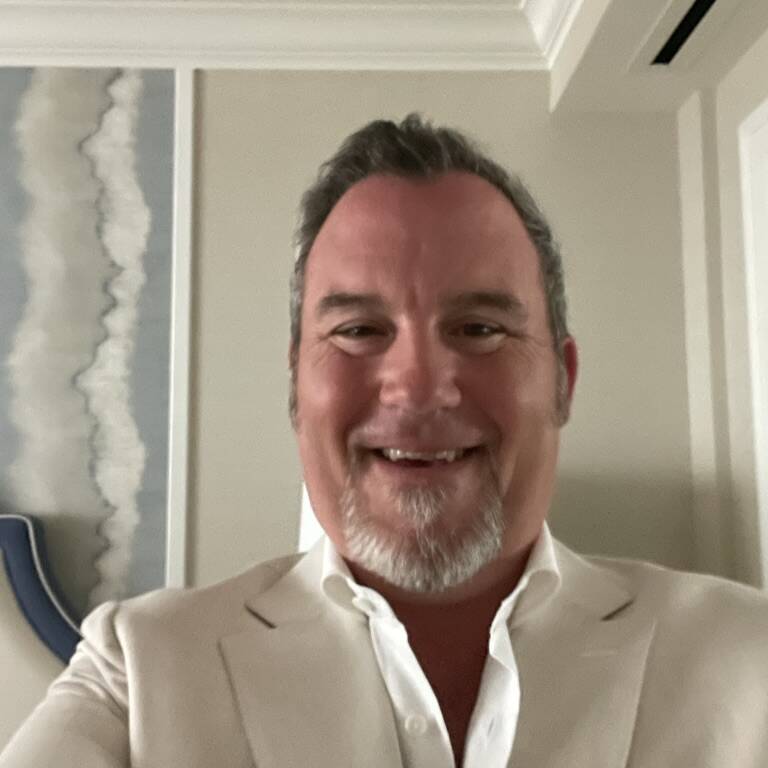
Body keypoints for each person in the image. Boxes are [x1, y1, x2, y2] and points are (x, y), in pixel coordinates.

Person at [2, 113, 767, 768]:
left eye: (480, 328)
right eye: (359, 331)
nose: (418, 384)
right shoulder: (136, 673)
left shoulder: (748, 659)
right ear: (296, 385)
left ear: (563, 381)